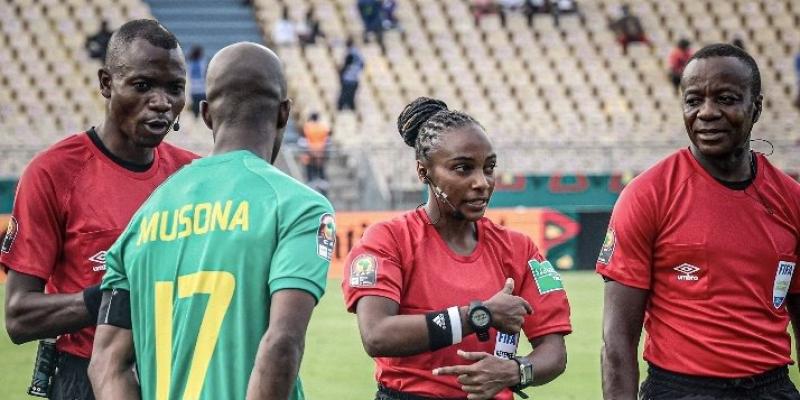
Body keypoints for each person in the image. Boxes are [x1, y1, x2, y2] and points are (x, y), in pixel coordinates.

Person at [89, 42, 334, 400]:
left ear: (205, 114)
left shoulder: (143, 218)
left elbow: (107, 362)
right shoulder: (299, 207)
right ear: (284, 114)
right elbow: (282, 343)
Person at [2, 19, 197, 400]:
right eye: (142, 86)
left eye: (174, 88)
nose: (162, 102)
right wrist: (111, 299)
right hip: (85, 378)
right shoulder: (52, 172)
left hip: (179, 376)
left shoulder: (194, 175)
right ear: (107, 83)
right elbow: (19, 315)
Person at [599, 43, 800, 399]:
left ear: (756, 107)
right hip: (680, 389)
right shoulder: (647, 195)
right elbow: (617, 342)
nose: (707, 113)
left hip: (772, 388)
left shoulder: (791, 199)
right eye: (693, 101)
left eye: (725, 99)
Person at [342, 97, 571, 400]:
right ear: (424, 173)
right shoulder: (387, 240)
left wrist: (517, 371)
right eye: (463, 169)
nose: (482, 182)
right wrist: (479, 315)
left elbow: (554, 350)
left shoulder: (520, 249)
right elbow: (377, 335)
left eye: (489, 168)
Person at [302, 111, 331, 186]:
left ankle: (312, 180)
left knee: (311, 166)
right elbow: (326, 138)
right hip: (321, 150)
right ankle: (321, 179)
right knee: (319, 166)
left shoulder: (308, 126)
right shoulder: (323, 126)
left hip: (311, 150)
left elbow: (306, 137)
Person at [337, 38, 364, 111]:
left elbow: (346, 65)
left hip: (348, 79)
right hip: (354, 80)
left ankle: (342, 111)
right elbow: (362, 65)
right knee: (351, 99)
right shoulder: (358, 53)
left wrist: (341, 73)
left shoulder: (350, 53)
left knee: (343, 99)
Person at [187, 45, 207, 118]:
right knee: (203, 108)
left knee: (195, 110)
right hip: (202, 88)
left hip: (193, 89)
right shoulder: (202, 62)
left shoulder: (189, 63)